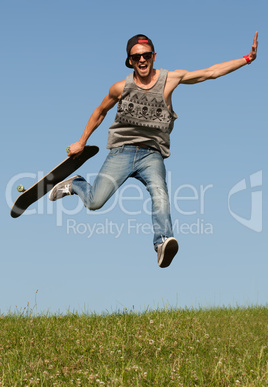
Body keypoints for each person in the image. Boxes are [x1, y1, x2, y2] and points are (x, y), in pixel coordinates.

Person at [49, 32, 258, 268]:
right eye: (136, 57)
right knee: (95, 202)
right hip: (122, 151)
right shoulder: (120, 88)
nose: (142, 60)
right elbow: (100, 112)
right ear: (129, 60)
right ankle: (75, 183)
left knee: (160, 194)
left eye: (146, 55)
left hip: (152, 154)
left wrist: (247, 59)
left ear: (154, 56)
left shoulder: (170, 79)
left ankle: (162, 242)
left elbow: (210, 72)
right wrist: (81, 141)